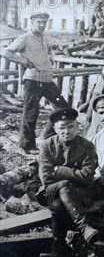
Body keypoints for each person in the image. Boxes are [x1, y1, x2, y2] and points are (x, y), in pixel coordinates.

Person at [38, 108, 104, 257]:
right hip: (51, 191)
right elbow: (46, 177)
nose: (66, 131)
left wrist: (59, 170)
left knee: (57, 206)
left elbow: (88, 175)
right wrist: (73, 175)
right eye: (61, 128)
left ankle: (58, 251)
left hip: (78, 194)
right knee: (63, 186)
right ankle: (84, 228)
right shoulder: (47, 145)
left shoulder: (87, 146)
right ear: (55, 129)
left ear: (77, 127)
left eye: (70, 127)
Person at [3, 11, 68, 153]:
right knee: (31, 112)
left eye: (44, 22)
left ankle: (47, 136)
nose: (42, 25)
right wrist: (24, 61)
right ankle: (27, 145)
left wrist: (51, 59)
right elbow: (6, 52)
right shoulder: (25, 38)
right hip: (32, 80)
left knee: (63, 108)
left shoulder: (45, 38)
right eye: (39, 22)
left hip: (47, 79)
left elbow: (50, 51)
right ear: (32, 22)